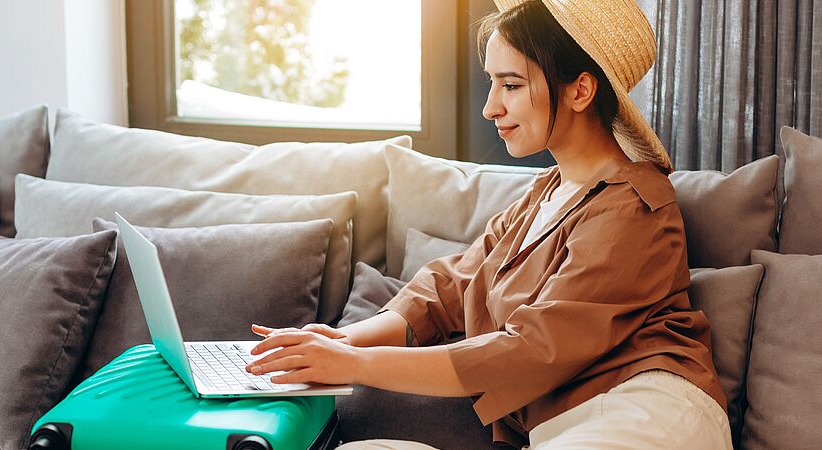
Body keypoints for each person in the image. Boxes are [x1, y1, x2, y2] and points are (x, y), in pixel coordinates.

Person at [245, 0, 731, 448]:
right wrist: (346, 339)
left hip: (646, 414)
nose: (490, 107)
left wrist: (355, 364)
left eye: (512, 85)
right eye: (492, 82)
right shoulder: (545, 193)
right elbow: (450, 287)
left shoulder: (635, 207)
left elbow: (530, 350)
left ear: (580, 90)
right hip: (566, 425)